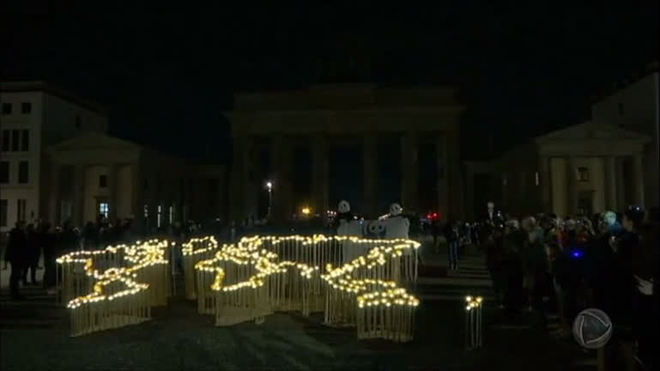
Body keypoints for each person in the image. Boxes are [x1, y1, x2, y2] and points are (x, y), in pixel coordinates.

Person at [4, 221, 27, 299]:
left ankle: (14, 291)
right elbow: (22, 246)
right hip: (17, 257)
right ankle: (14, 293)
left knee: (15, 274)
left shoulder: (13, 234)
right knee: (16, 274)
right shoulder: (19, 234)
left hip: (14, 256)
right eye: (23, 225)